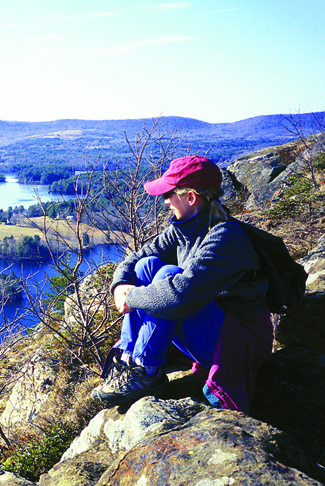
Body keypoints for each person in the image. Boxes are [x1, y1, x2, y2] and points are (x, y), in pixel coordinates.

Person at [92, 155, 273, 413]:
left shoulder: (226, 237)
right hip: (213, 323)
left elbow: (179, 295)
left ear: (190, 198)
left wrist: (131, 298)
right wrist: (120, 284)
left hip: (240, 341)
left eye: (169, 195)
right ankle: (130, 360)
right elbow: (136, 259)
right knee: (147, 267)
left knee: (167, 275)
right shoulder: (184, 228)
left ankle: (146, 369)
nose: (165, 202)